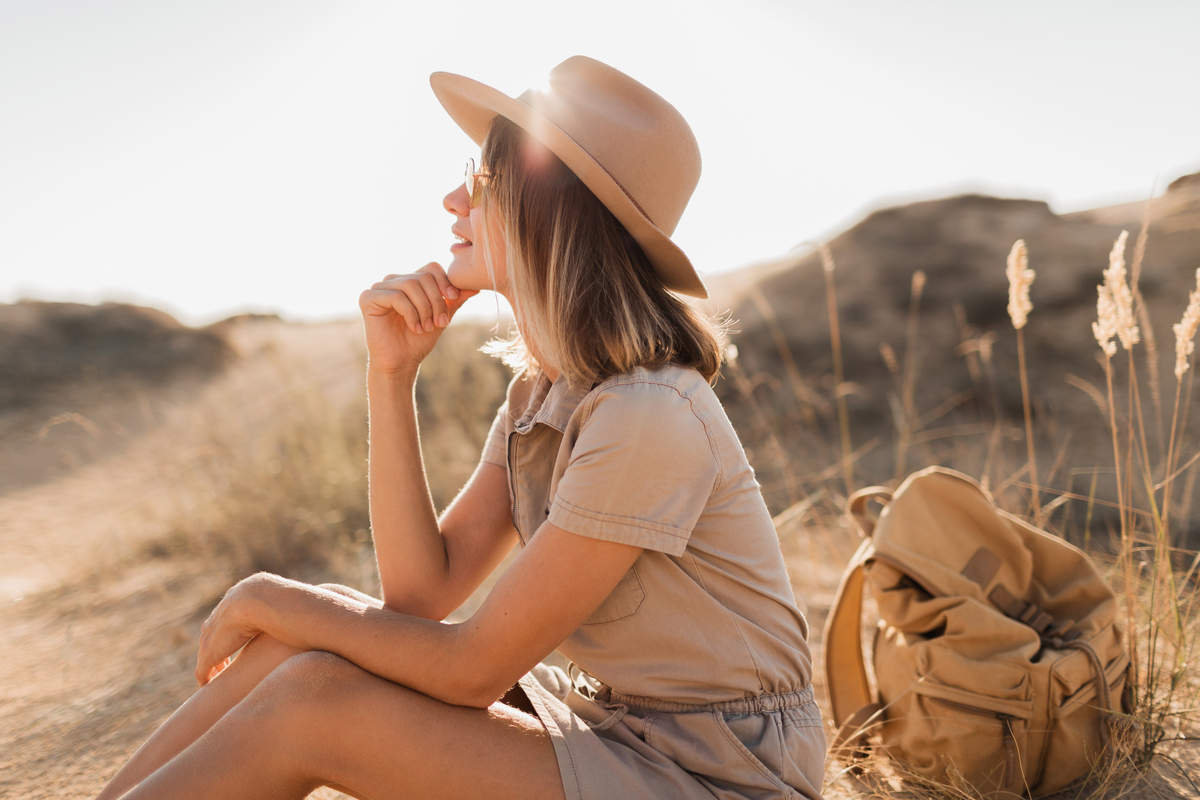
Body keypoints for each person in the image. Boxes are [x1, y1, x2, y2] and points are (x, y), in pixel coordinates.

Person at [94, 55, 826, 800]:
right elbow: (420, 595)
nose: (452, 200)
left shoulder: (649, 415)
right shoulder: (545, 397)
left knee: (311, 698)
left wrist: (272, 594)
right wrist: (392, 377)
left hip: (721, 773)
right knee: (296, 648)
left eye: (480, 183)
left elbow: (471, 669)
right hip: (618, 728)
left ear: (553, 212)